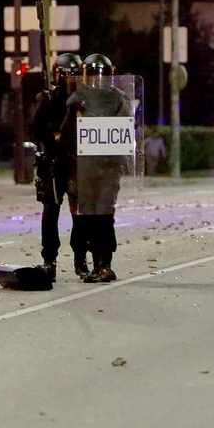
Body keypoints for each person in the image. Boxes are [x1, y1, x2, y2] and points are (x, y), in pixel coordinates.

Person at [57, 53, 132, 283]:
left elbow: (125, 131)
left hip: (107, 168)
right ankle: (81, 261)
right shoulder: (77, 100)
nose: (98, 80)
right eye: (94, 74)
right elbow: (67, 135)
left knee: (105, 216)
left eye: (102, 75)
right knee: (83, 218)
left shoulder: (119, 100)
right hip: (82, 169)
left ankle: (104, 263)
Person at [30, 53, 82, 282]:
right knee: (50, 212)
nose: (71, 79)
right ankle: (49, 260)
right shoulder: (48, 100)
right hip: (52, 165)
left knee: (80, 215)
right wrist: (50, 144)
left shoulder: (83, 101)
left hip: (76, 165)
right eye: (67, 74)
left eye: (75, 75)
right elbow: (35, 129)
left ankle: (81, 260)